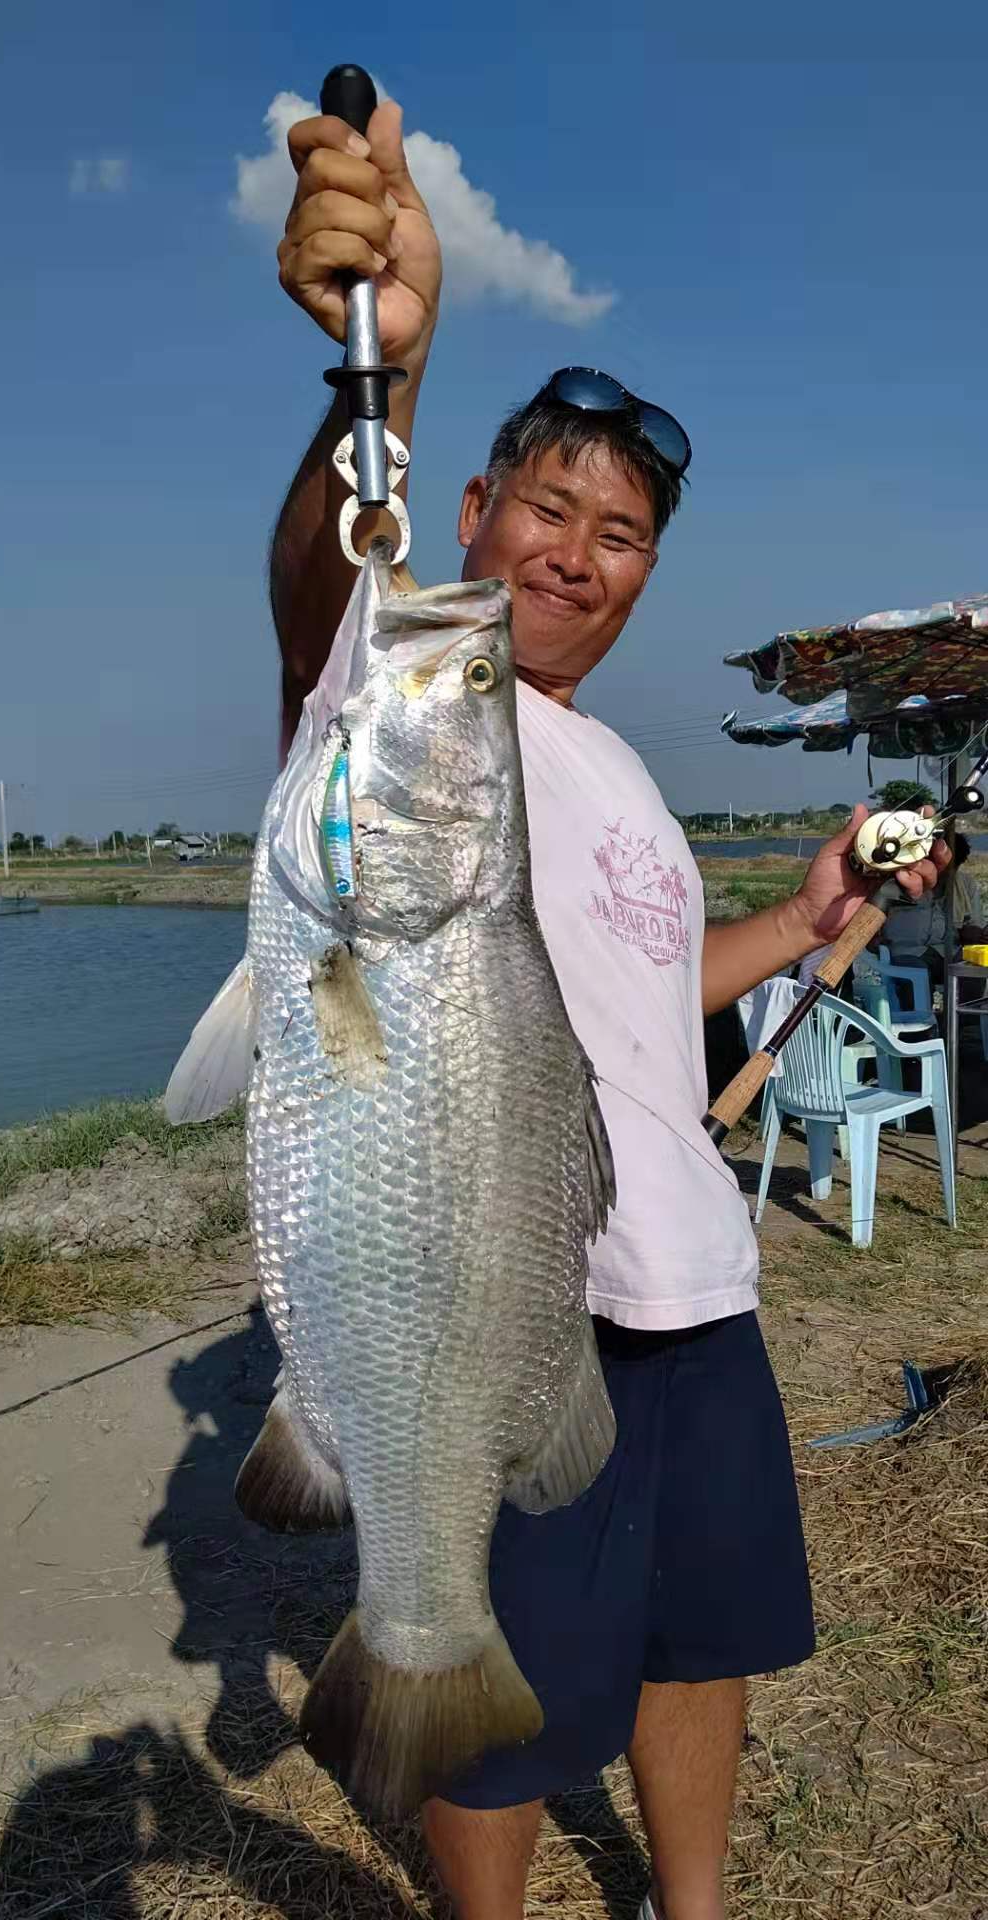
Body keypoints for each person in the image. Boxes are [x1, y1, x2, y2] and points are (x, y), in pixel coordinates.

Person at [269, 99, 949, 1920]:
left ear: (649, 571)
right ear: (476, 513)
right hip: (524, 1300)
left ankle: (695, 1904)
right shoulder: (406, 688)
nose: (577, 551)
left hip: (701, 1288)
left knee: (695, 1637)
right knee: (487, 1669)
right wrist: (382, 388)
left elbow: (654, 996)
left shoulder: (624, 772)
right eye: (549, 506)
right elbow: (331, 579)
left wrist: (800, 917)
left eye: (622, 530)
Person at [883, 832, 984, 984]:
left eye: (952, 867)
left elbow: (971, 927)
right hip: (906, 952)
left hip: (948, 952)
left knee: (974, 967)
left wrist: (979, 934)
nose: (946, 873)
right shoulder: (899, 881)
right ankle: (918, 1009)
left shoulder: (965, 884)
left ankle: (964, 1008)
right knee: (915, 973)